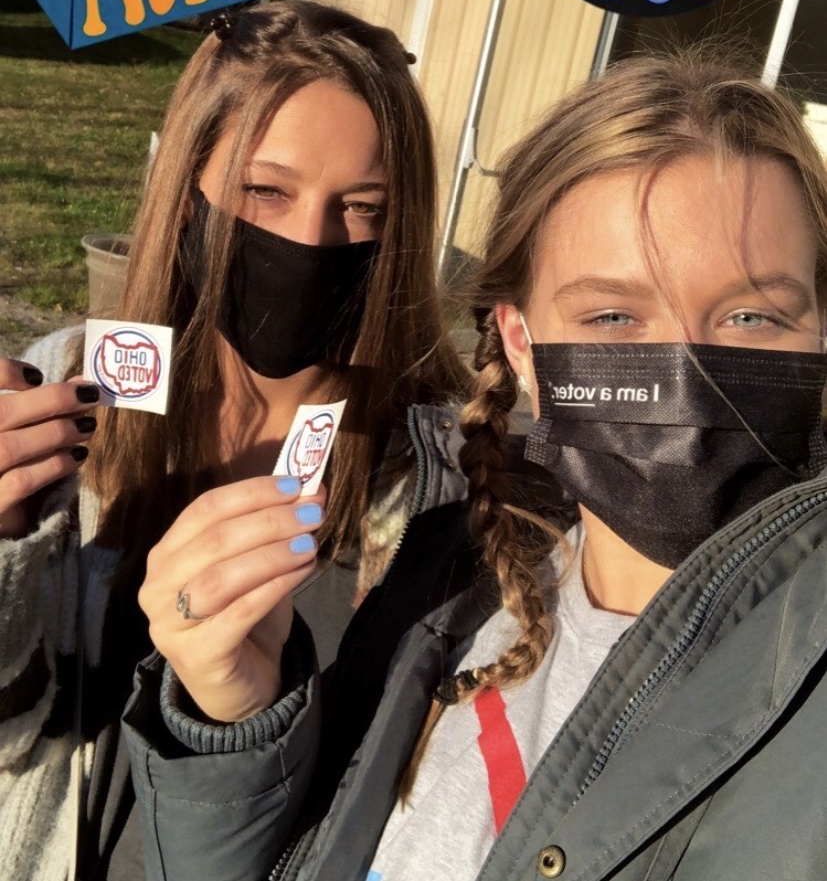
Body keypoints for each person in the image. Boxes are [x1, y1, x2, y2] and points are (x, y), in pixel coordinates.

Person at [125, 48, 827, 881]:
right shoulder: (444, 582)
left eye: (750, 315)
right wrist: (236, 720)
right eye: (611, 315)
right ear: (524, 345)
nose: (686, 368)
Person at [0, 0, 467, 881]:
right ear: (188, 194)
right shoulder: (72, 385)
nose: (308, 238)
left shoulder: (430, 474)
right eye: (266, 189)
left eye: (361, 208)